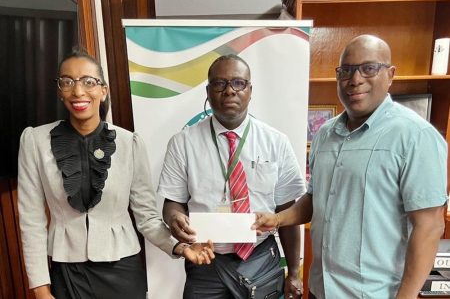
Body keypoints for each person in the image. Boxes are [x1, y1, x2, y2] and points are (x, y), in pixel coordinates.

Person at [252, 34, 448, 299]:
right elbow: (314, 199)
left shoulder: (415, 136)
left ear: (390, 74)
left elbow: (430, 226)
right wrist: (278, 219)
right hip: (321, 288)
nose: (355, 79)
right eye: (346, 71)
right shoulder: (324, 134)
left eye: (369, 68)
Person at [17, 47, 214, 299]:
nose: (78, 91)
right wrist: (40, 289)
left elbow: (147, 218)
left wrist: (180, 247)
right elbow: (31, 222)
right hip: (66, 271)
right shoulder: (35, 141)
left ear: (103, 90)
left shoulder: (129, 143)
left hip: (122, 269)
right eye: (68, 82)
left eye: (89, 82)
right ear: (59, 90)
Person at [158, 54, 306, 299]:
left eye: (238, 83)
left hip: (260, 258)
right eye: (219, 84)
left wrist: (294, 273)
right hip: (206, 259)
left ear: (250, 90)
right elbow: (172, 203)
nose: (229, 91)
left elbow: (287, 211)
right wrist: (175, 218)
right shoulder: (183, 143)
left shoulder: (276, 142)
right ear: (208, 91)